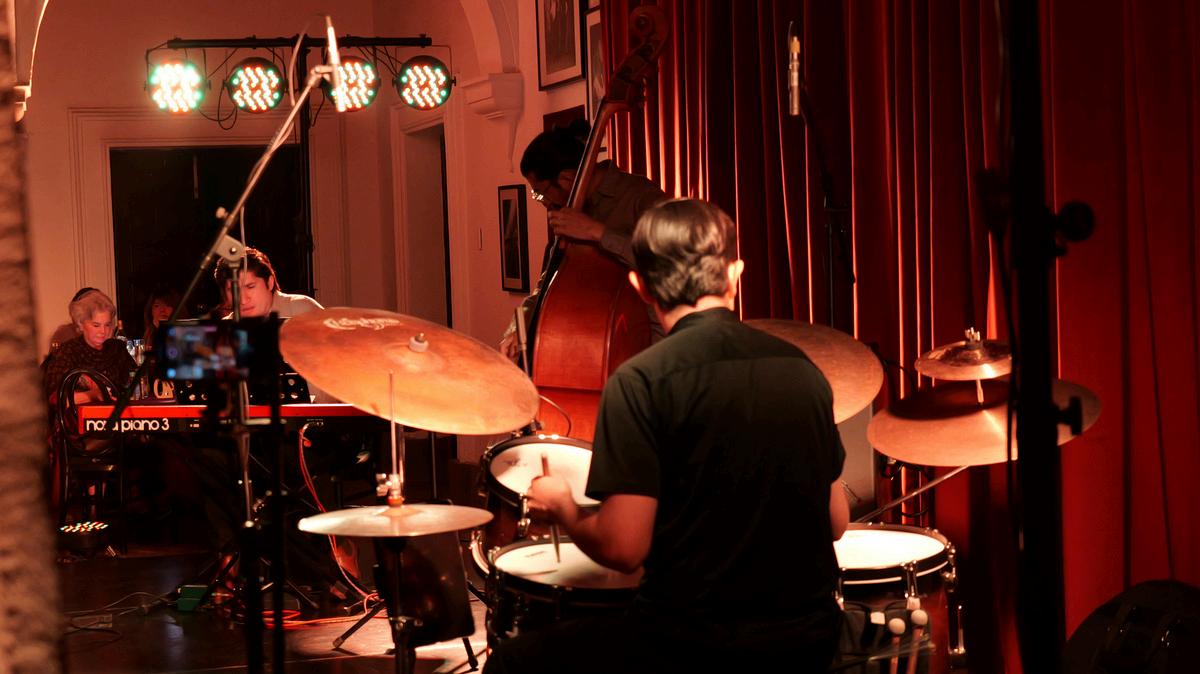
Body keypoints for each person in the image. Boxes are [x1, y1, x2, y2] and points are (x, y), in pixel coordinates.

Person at [485, 199, 850, 673]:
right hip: (809, 640)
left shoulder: (640, 381)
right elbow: (836, 522)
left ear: (639, 284)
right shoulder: (803, 371)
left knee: (513, 661)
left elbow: (624, 549)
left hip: (689, 646)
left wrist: (565, 507)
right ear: (735, 274)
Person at [500, 120, 668, 359]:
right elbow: (548, 285)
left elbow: (668, 263)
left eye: (541, 192)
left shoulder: (640, 196)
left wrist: (598, 232)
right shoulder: (570, 211)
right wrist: (519, 327)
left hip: (649, 339)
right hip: (591, 346)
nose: (544, 203)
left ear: (567, 178)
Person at [44, 288, 135, 406]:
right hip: (80, 416)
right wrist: (92, 395)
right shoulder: (68, 352)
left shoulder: (117, 349)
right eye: (96, 325)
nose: (103, 331)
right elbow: (55, 399)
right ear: (81, 324)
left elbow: (137, 381)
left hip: (118, 414)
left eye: (107, 325)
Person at [213, 247, 322, 319]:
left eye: (250, 286)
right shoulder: (225, 327)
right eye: (234, 290)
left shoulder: (302, 310)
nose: (243, 300)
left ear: (269, 283)